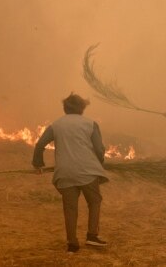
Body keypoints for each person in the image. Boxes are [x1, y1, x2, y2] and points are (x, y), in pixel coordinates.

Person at [33, 93, 109, 253]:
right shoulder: (91, 124)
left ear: (65, 108)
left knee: (70, 209)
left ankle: (72, 244)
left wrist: (38, 164)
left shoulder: (56, 125)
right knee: (94, 201)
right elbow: (99, 149)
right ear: (82, 108)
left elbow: (40, 145)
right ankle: (92, 236)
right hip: (88, 172)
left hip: (65, 172)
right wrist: (99, 163)